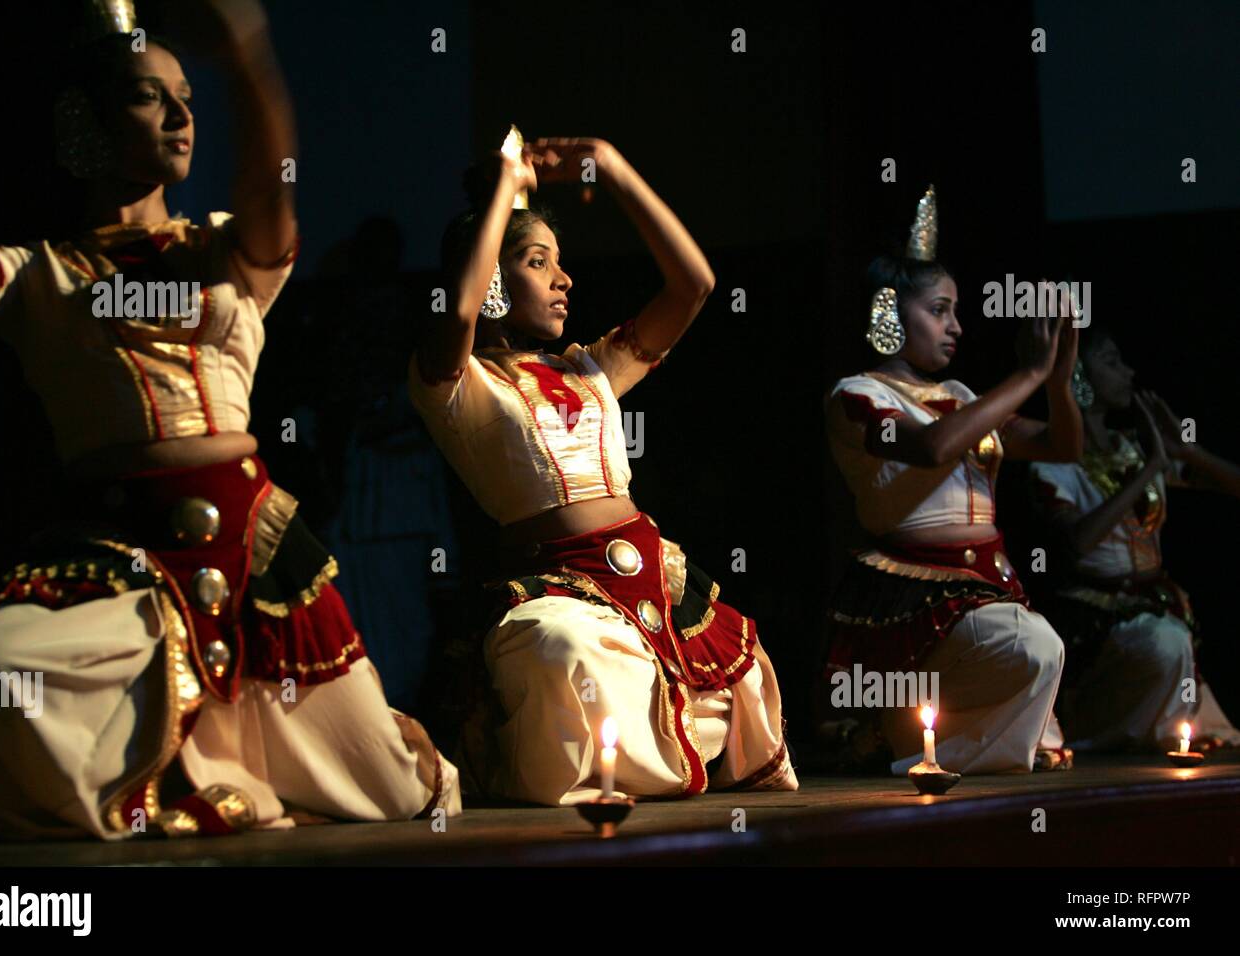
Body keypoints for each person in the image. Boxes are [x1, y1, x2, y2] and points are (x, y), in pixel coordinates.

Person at [0, 0, 459, 839]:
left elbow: (267, 183)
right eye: (151, 96)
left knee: (395, 795)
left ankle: (255, 771)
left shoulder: (224, 246)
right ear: (86, 123)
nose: (182, 116)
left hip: (260, 555)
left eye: (189, 97)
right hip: (119, 560)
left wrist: (249, 54)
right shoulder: (37, 277)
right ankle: (201, 787)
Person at [407, 128, 797, 804]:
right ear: (492, 274)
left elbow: (694, 283)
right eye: (536, 262)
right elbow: (463, 306)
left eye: (559, 261)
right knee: (564, 651)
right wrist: (507, 187)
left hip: (650, 569)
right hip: (558, 586)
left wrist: (613, 168)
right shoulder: (454, 382)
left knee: (744, 672)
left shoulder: (591, 368)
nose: (565, 278)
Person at [823, 186, 1082, 775]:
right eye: (939, 310)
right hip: (917, 595)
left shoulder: (963, 397)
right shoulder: (855, 397)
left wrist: (1058, 385)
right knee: (1035, 649)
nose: (957, 327)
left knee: (1035, 653)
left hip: (985, 583)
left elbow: (1064, 447)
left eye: (956, 311)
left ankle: (915, 741)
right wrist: (1028, 373)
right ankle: (909, 741)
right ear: (888, 313)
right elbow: (932, 446)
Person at [1028, 329, 1240, 751]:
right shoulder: (1053, 461)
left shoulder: (1134, 447)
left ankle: (1162, 735)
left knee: (1169, 639)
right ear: (1080, 377)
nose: (1128, 372)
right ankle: (1110, 737)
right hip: (1093, 612)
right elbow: (1076, 543)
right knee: (1164, 642)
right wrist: (1149, 471)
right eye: (1111, 362)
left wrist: (1189, 451)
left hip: (1153, 602)